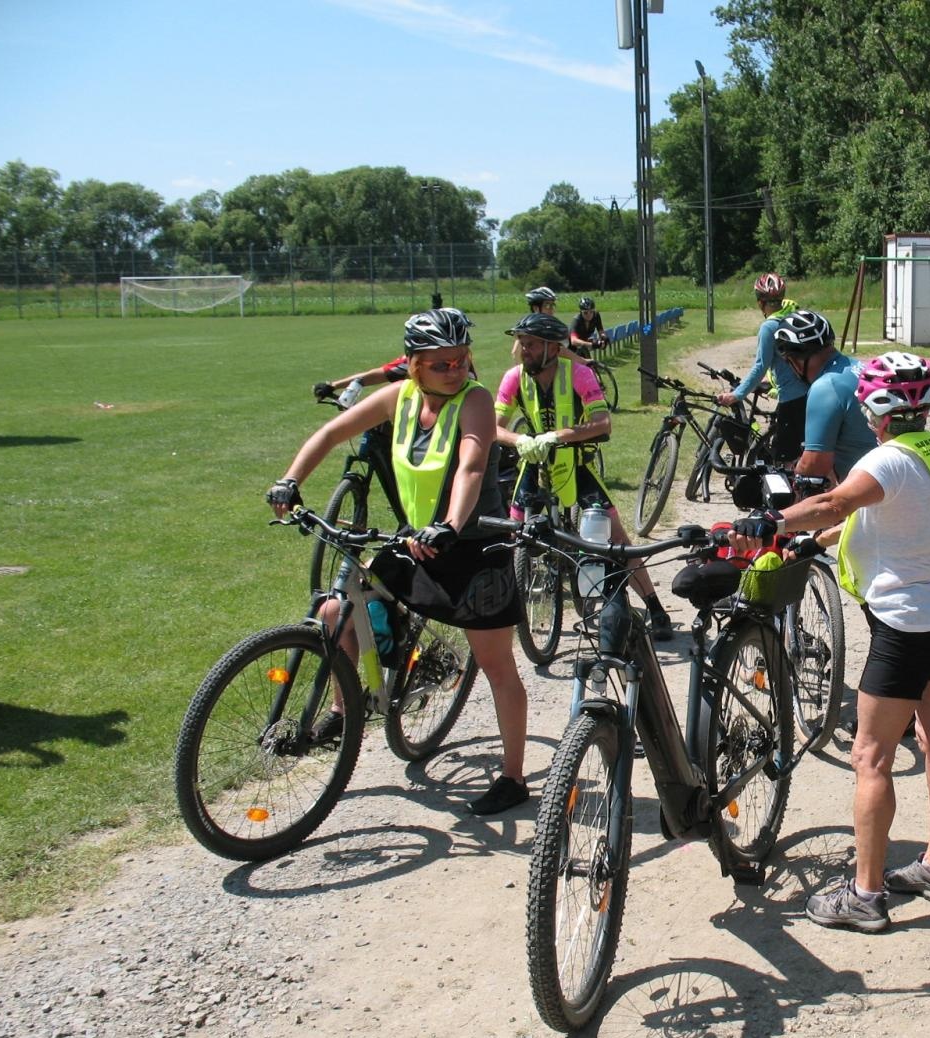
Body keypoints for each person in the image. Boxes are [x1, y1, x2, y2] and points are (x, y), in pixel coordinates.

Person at [729, 353, 930, 932]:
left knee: (871, 758)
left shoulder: (886, 459)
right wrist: (819, 542)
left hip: (904, 629)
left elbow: (836, 501)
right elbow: (881, 516)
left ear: (875, 408)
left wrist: (774, 523)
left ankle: (865, 895)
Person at [267, 308, 531, 816]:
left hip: (474, 546)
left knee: (497, 666)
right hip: (419, 541)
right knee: (334, 611)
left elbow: (472, 465)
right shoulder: (399, 397)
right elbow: (329, 434)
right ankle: (350, 706)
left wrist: (452, 524)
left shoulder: (475, 401)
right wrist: (291, 479)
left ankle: (513, 776)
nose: (456, 371)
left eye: (460, 360)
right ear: (413, 364)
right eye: (441, 364)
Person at [495, 312, 674, 637]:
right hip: (534, 463)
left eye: (531, 345)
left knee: (616, 537)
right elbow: (494, 427)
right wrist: (520, 440)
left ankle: (654, 607)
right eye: (521, 344)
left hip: (575, 464)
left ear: (552, 347)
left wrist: (559, 436)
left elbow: (603, 424)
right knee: (514, 535)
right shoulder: (514, 378)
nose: (523, 351)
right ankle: (511, 608)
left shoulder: (579, 374)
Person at [773, 309, 878, 485]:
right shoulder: (857, 366)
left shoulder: (826, 386)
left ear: (797, 360)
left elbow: (814, 465)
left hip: (865, 497)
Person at [715, 273, 807, 464]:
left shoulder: (769, 327)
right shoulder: (794, 319)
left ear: (760, 302)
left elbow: (760, 366)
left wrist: (737, 395)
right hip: (810, 393)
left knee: (785, 461)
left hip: (791, 398)